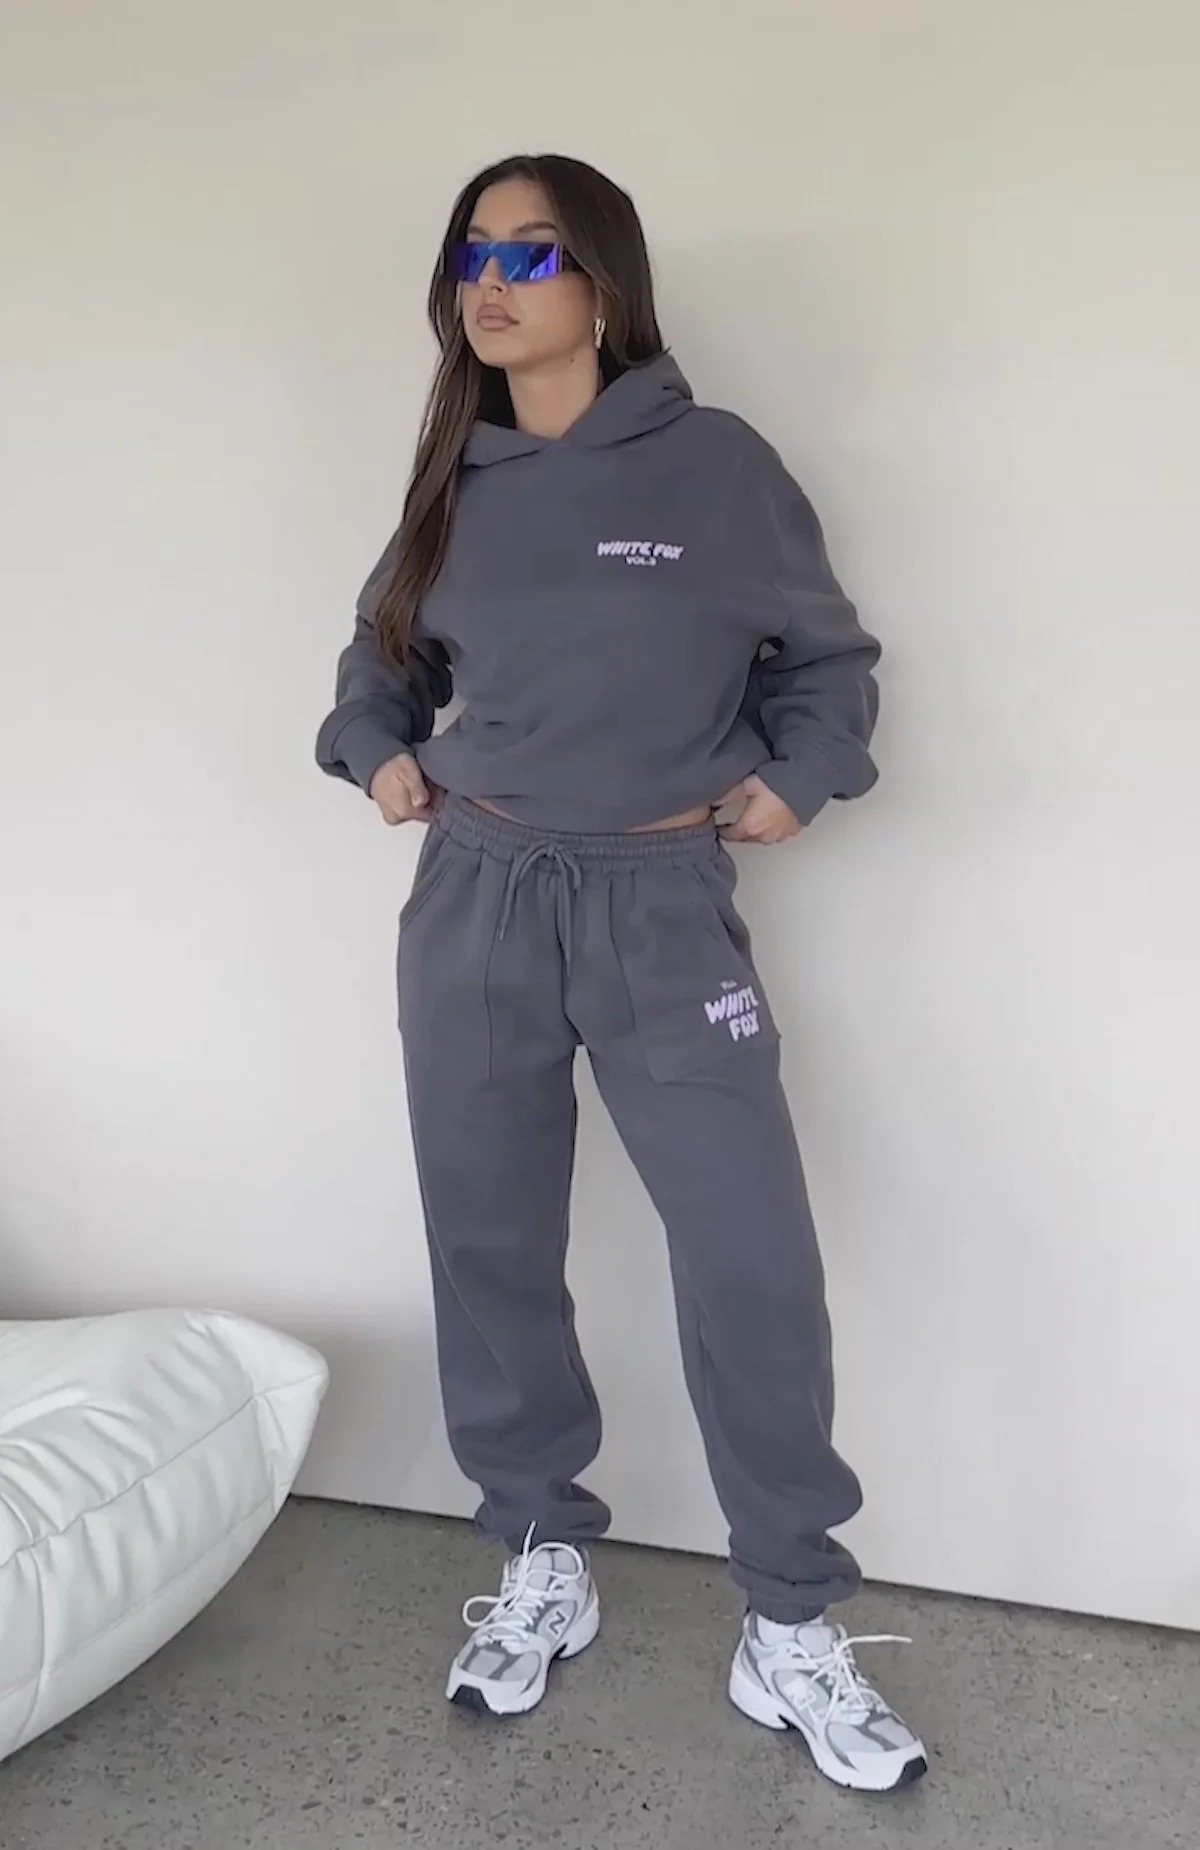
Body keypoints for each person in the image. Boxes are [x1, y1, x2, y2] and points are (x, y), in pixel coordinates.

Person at [316, 153, 926, 1794]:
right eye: (473, 251)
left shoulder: (718, 467)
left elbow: (829, 663)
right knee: (490, 1236)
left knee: (749, 1254)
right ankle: (540, 1546)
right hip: (481, 895)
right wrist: (379, 752)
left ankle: (788, 1613)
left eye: (532, 252)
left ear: (605, 281)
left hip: (661, 903)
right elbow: (379, 664)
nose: (493, 281)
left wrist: (803, 775)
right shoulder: (455, 475)